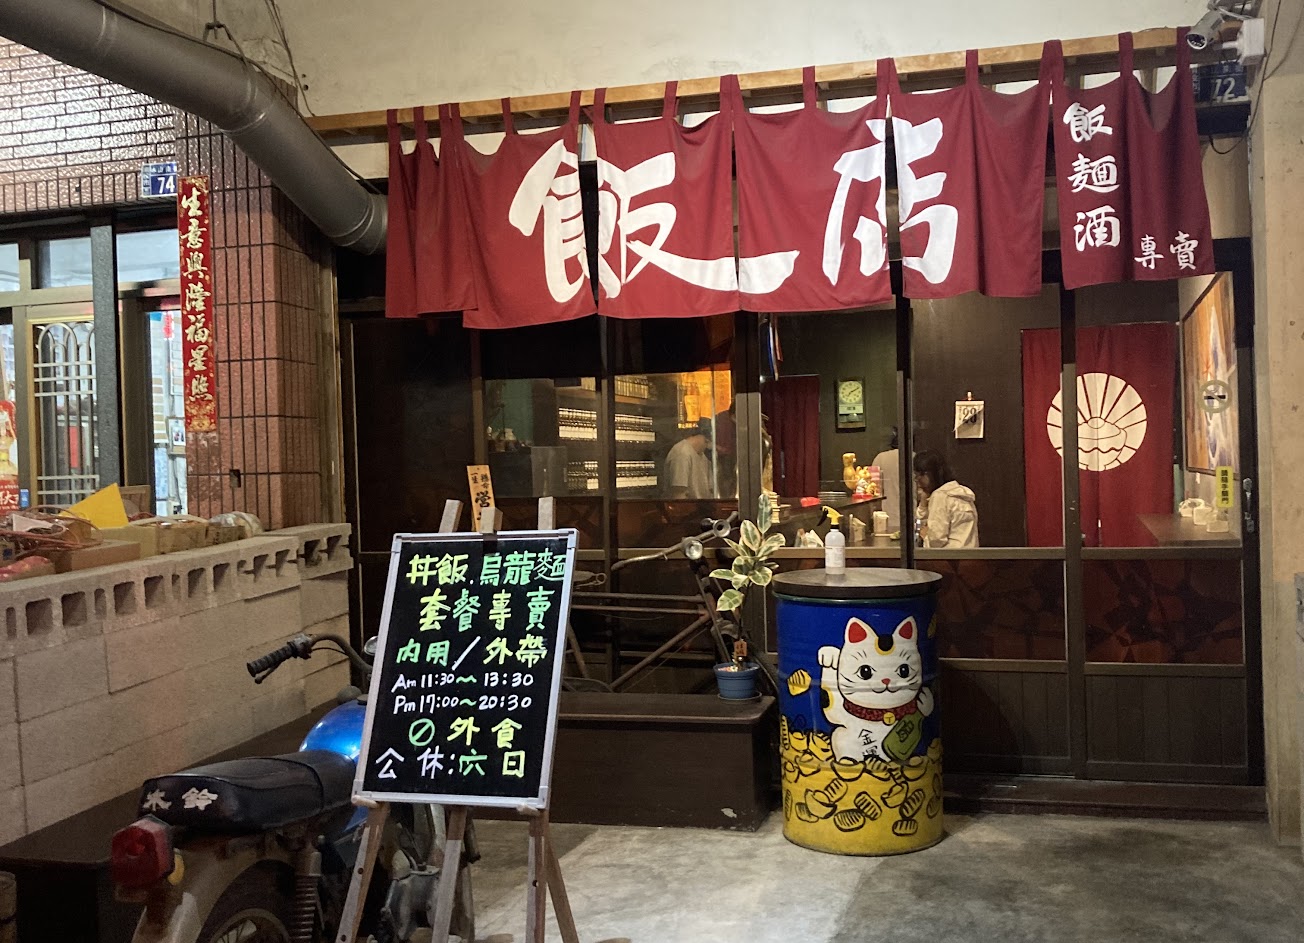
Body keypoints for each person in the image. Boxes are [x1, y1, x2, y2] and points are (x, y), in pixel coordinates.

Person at [913, 449, 978, 548]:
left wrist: (925, 535)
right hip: (970, 554)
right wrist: (923, 503)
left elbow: (936, 540)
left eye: (918, 476)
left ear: (927, 474)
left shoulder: (940, 496)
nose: (918, 481)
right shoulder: (962, 492)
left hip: (948, 556)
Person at [664, 419, 714, 499]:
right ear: (707, 440)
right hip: (688, 506)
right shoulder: (681, 454)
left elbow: (710, 490)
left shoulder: (703, 456)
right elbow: (679, 495)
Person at [871, 428, 901, 532]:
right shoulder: (914, 458)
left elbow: (873, 491)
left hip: (884, 520)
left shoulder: (879, 458)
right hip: (912, 519)